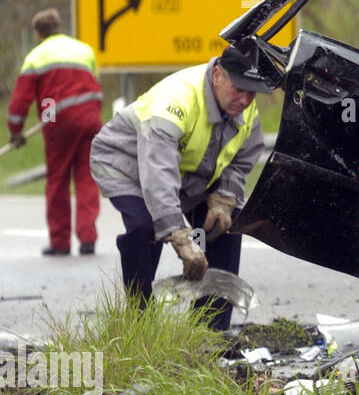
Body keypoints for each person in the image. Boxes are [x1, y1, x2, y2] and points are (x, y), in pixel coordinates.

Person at [89, 38, 278, 328]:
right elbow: (157, 177)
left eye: (252, 94)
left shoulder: (244, 108)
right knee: (146, 226)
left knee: (225, 225)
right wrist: (179, 236)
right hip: (128, 165)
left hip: (186, 174)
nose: (244, 100)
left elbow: (244, 155)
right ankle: (139, 323)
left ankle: (209, 332)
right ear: (217, 76)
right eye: (238, 89)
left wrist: (225, 197)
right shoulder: (175, 102)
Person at [6, 8, 103, 255]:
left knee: (58, 179)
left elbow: (20, 101)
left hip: (58, 118)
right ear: (59, 27)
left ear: (37, 33)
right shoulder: (83, 50)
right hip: (91, 118)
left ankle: (60, 242)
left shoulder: (36, 57)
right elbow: (92, 82)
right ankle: (88, 238)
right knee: (86, 177)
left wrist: (15, 131)